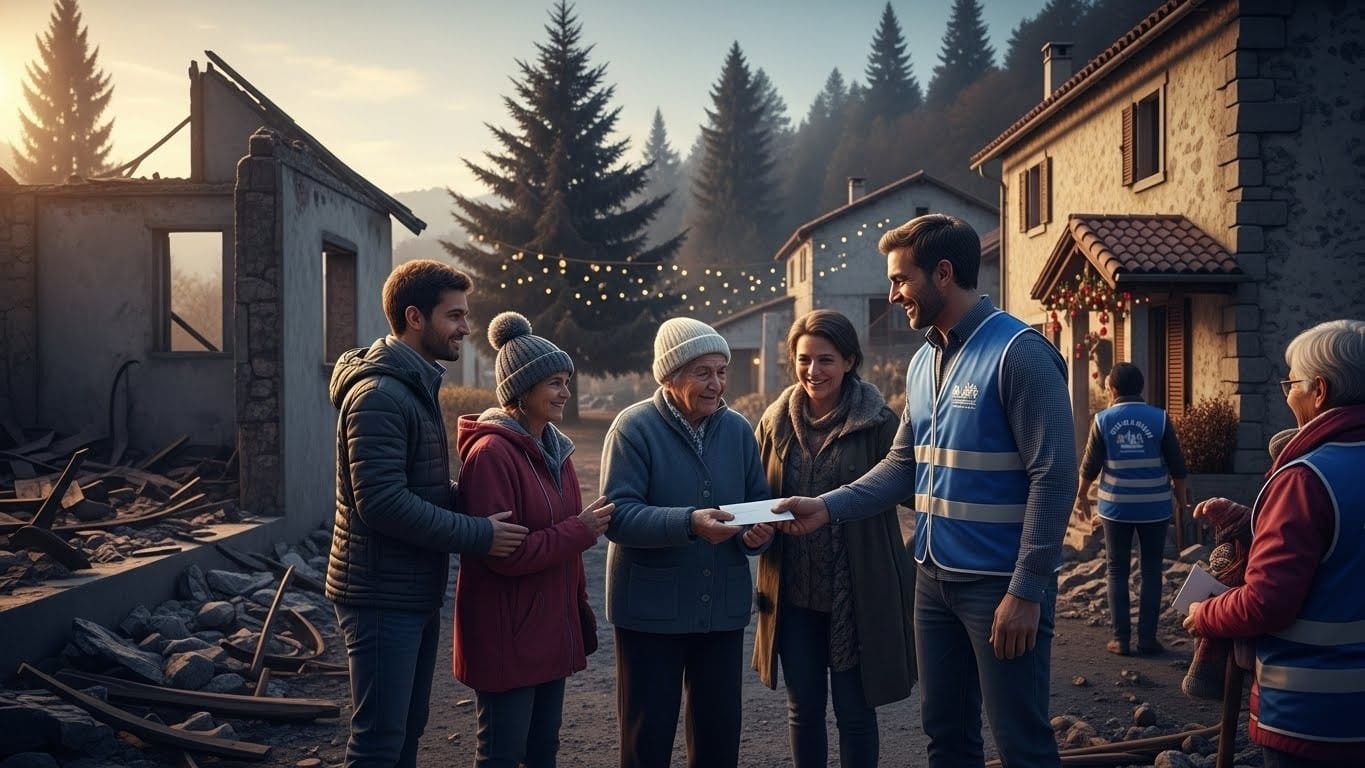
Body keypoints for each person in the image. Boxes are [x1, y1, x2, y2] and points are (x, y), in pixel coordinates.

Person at [774, 214, 1075, 768]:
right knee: (946, 738)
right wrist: (825, 507)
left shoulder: (1020, 353)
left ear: (942, 274)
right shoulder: (922, 361)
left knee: (1021, 743)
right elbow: (901, 466)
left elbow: (1055, 477)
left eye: (900, 280)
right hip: (933, 582)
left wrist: (1028, 589)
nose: (893, 295)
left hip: (998, 590)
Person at [326, 260, 529, 768]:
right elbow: (382, 503)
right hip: (377, 594)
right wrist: (478, 533)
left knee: (407, 731)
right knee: (378, 740)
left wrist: (482, 492)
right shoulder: (381, 395)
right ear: (415, 317)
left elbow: (421, 486)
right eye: (455, 316)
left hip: (408, 588)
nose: (466, 328)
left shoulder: (413, 385)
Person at [1184, 319, 1365, 768]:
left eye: (1291, 384)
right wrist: (1256, 521)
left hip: (1313, 715)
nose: (1288, 396)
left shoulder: (1305, 479)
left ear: (1318, 391)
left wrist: (1203, 614)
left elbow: (1267, 603)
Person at [600, 317, 773, 768]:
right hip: (650, 612)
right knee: (646, 739)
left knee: (719, 738)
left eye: (721, 371)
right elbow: (618, 517)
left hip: (720, 608)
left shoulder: (737, 429)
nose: (716, 384)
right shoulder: (632, 429)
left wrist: (758, 535)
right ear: (670, 376)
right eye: (703, 372)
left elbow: (757, 502)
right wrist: (689, 523)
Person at [752, 309, 917, 768]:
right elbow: (756, 498)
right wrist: (754, 533)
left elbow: (915, 494)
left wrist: (903, 562)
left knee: (856, 713)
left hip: (857, 596)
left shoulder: (879, 422)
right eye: (804, 360)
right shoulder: (774, 422)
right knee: (802, 710)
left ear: (849, 361)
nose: (812, 371)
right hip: (793, 596)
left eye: (825, 360)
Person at [453, 311, 613, 768]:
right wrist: (579, 531)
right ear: (521, 393)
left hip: (549, 630)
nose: (566, 393)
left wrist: (575, 611)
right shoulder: (490, 455)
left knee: (544, 751)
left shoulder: (556, 450)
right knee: (502, 755)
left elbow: (560, 545)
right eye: (555, 383)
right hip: (508, 634)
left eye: (567, 381)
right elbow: (507, 554)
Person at [1073, 362, 1190, 656]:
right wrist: (1182, 499)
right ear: (1140, 387)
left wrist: (1080, 497)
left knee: (1117, 570)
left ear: (1112, 389)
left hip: (1116, 508)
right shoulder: (1159, 419)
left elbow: (1090, 465)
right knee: (1151, 570)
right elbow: (1177, 463)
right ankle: (1148, 639)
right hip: (1154, 507)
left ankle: (1121, 640)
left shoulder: (1103, 420)